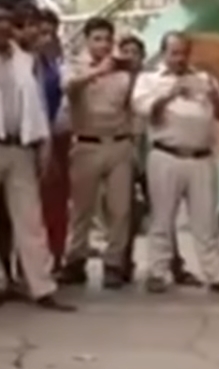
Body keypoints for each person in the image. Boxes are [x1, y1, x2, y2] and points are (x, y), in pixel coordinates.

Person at [131, 31, 219, 294]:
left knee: (205, 221)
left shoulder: (203, 78)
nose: (179, 59)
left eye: (184, 53)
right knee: (162, 218)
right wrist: (170, 93)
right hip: (166, 154)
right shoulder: (149, 80)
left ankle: (217, 275)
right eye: (174, 53)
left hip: (201, 157)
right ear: (164, 53)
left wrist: (213, 95)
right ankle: (157, 272)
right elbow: (146, 112)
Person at [0, 0, 72, 310]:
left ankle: (41, 287)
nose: (3, 27)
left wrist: (43, 144)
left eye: (7, 22)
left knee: (30, 219)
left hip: (21, 147)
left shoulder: (24, 61)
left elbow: (37, 105)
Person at [58, 16, 134, 289]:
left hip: (118, 143)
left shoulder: (123, 71)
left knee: (120, 209)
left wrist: (125, 69)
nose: (103, 45)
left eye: (107, 39)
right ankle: (75, 260)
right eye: (97, 39)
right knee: (81, 209)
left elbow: (131, 104)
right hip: (86, 144)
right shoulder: (74, 67)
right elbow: (67, 87)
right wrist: (97, 72)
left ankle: (114, 263)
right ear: (87, 41)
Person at [118, 34, 198, 286]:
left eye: (135, 51)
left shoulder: (152, 81)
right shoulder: (115, 80)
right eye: (126, 51)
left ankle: (173, 264)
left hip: (152, 146)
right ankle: (122, 262)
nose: (130, 56)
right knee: (125, 210)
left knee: (163, 210)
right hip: (124, 146)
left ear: (144, 56)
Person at [34, 7, 67, 274]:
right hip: (30, 140)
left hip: (57, 139)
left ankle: (54, 257)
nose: (46, 38)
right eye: (41, 32)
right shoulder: (23, 64)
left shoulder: (56, 65)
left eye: (51, 33)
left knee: (54, 204)